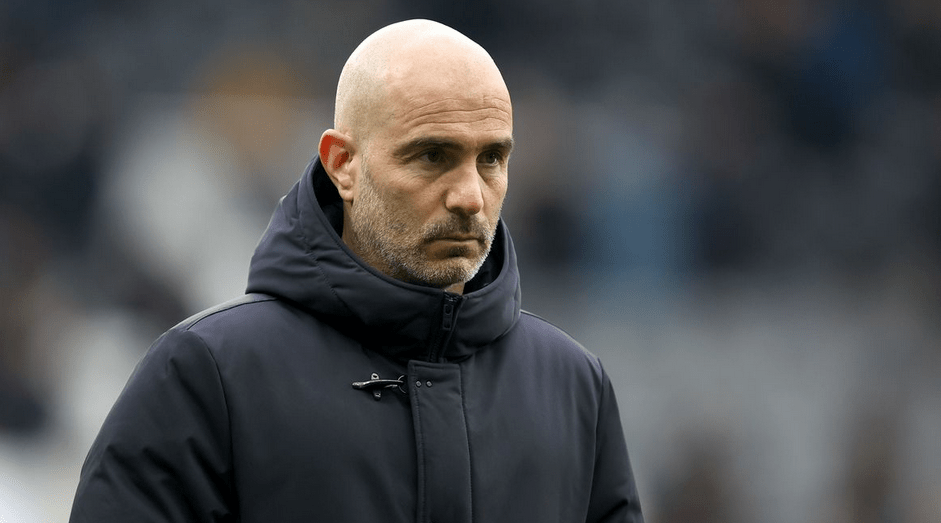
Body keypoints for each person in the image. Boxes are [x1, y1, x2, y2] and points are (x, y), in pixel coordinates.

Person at [70, 19, 644, 523]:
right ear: (342, 164)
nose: (470, 196)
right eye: (432, 156)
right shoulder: (205, 374)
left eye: (491, 158)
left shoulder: (575, 387)